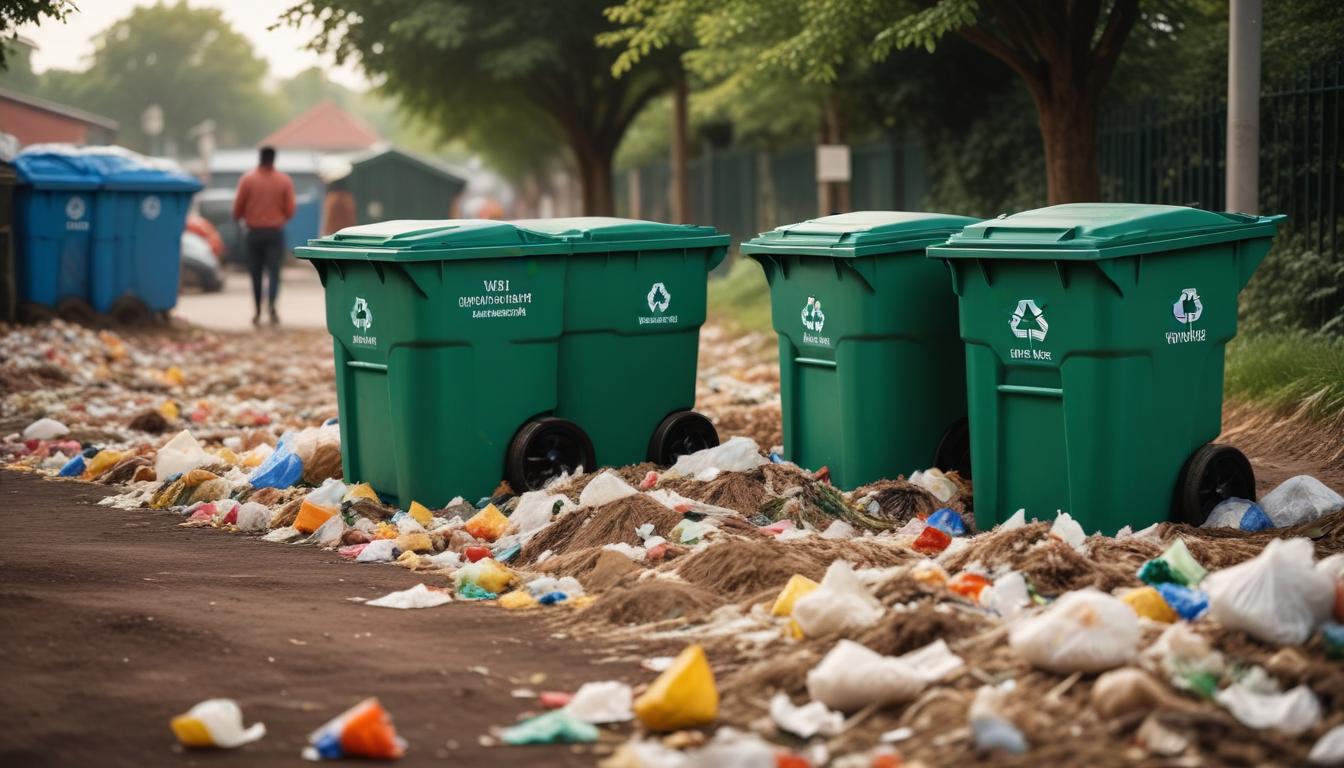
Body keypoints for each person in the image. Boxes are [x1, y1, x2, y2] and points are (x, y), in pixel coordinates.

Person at [232, 146, 295, 326]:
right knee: (274, 272)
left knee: (256, 273)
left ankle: (257, 311)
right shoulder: (284, 181)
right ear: (274, 159)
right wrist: (278, 217)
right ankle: (273, 308)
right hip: (274, 232)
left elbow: (237, 209)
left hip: (254, 232)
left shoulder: (248, 179)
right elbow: (291, 209)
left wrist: (246, 217)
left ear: (259, 158)